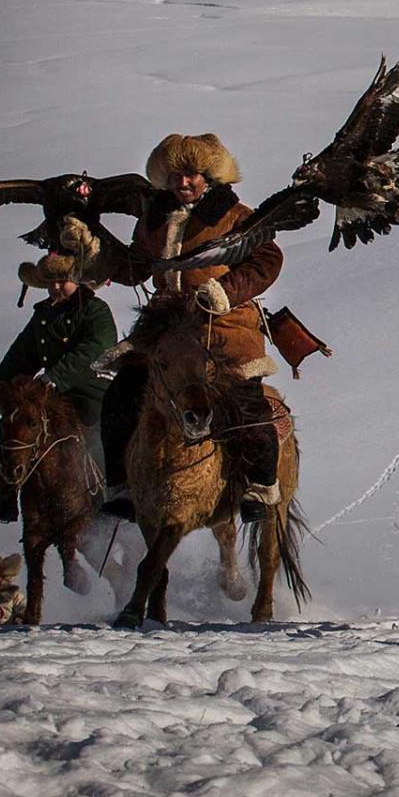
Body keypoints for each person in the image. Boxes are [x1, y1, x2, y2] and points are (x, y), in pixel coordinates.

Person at [97, 134, 284, 520]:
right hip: (165, 332)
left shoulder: (236, 216)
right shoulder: (154, 219)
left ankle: (260, 486)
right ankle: (121, 487)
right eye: (176, 176)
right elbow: (137, 267)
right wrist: (95, 254)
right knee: (121, 396)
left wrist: (224, 291)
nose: (183, 183)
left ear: (208, 176)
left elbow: (268, 259)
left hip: (224, 327)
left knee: (246, 404)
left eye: (192, 175)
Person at [0, 252, 116, 522]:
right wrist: (2, 390)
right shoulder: (43, 316)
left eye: (62, 280)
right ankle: (7, 497)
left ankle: (114, 495)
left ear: (76, 278)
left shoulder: (95, 310)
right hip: (52, 393)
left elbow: (95, 349)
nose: (56, 287)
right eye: (50, 282)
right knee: (13, 425)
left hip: (90, 391)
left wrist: (56, 377)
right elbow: (21, 354)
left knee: (100, 437)